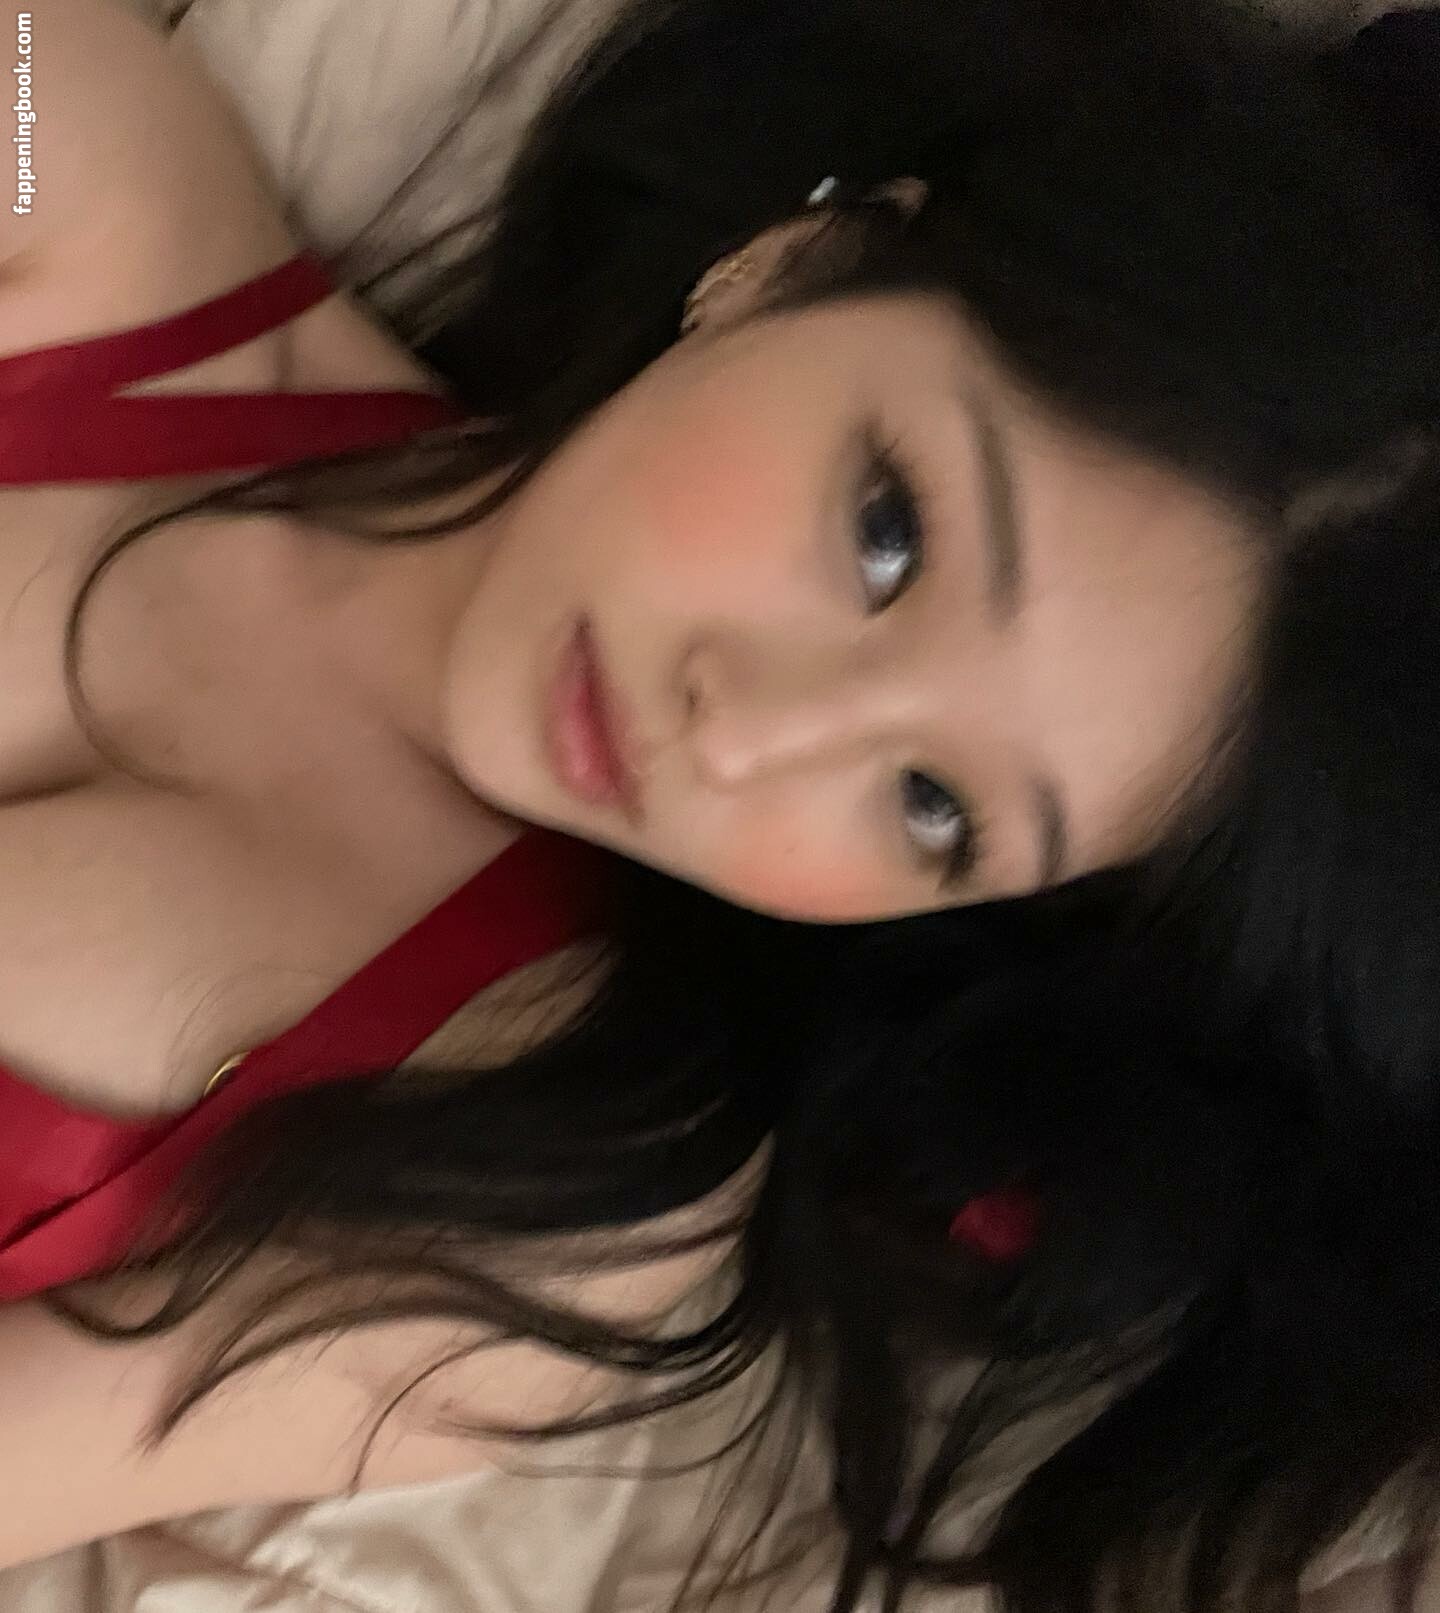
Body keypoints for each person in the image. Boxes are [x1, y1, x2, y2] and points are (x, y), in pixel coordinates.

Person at [0, 2, 1437, 1611]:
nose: (750, 736)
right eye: (885, 537)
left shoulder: (543, 1202)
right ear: (796, 261)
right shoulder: (77, 156)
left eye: (933, 805)